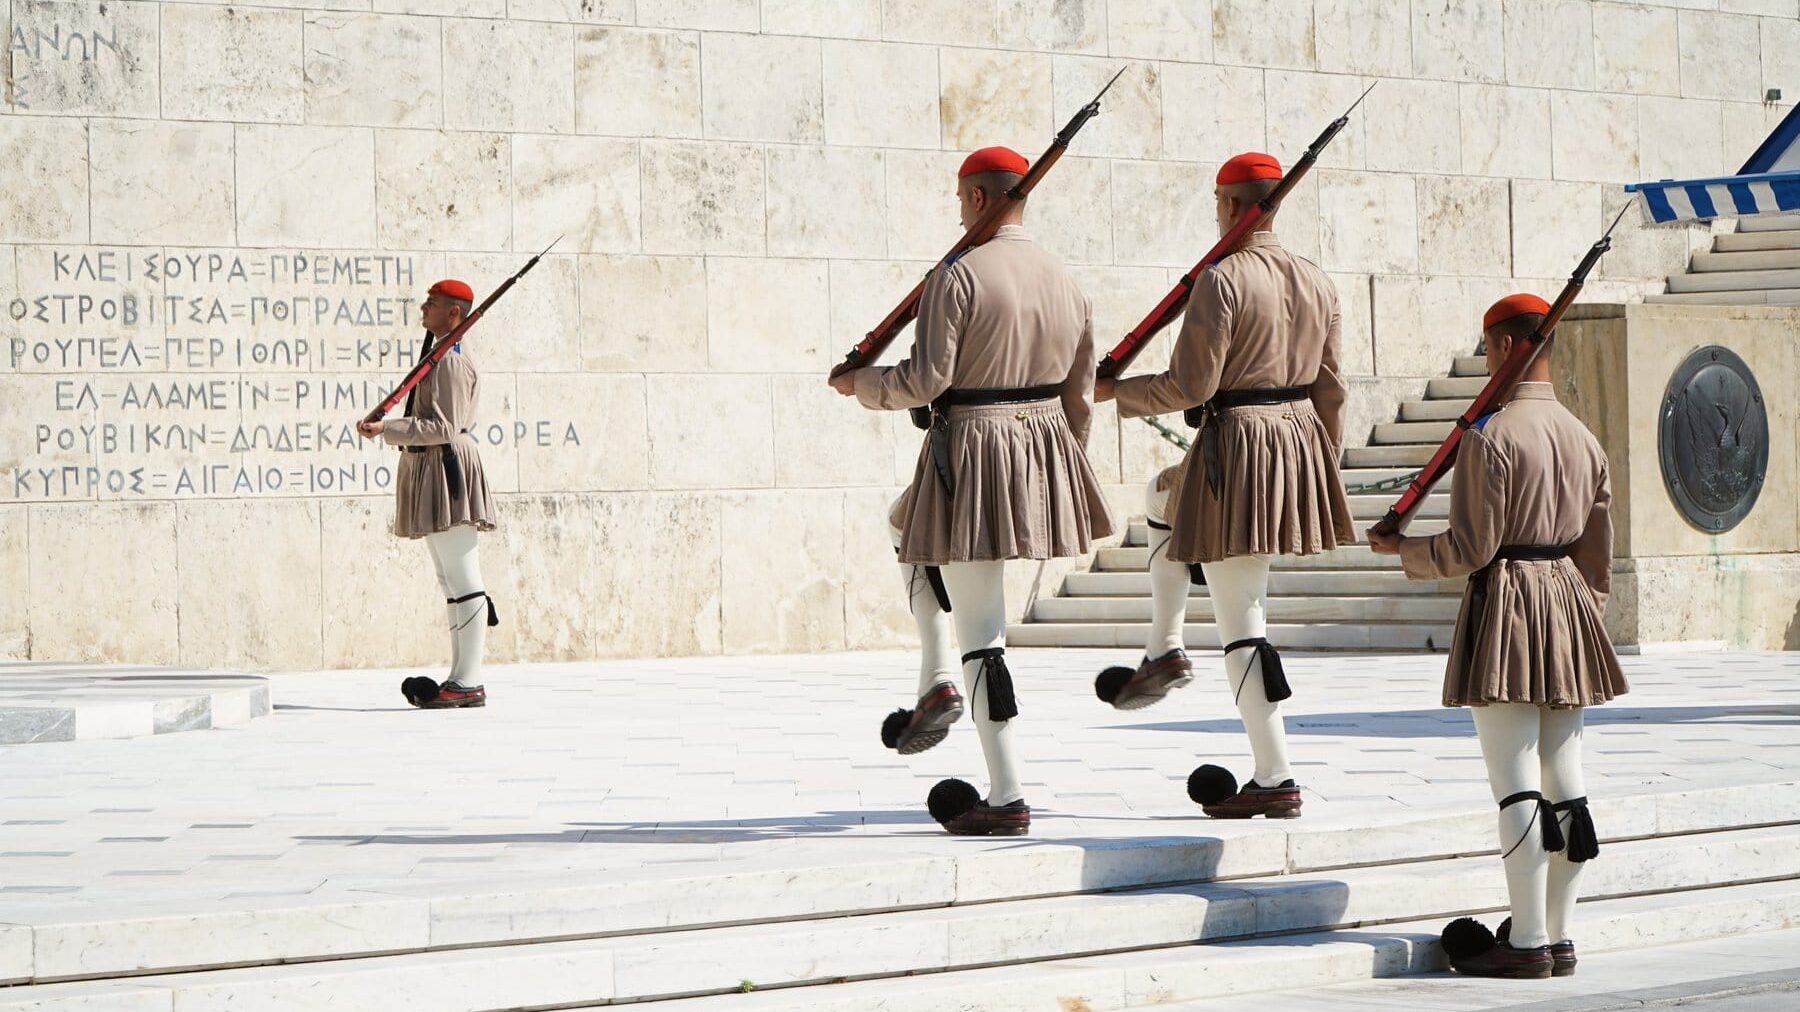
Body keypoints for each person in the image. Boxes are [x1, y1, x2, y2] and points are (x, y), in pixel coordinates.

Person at [830, 146, 1114, 836]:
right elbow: (1080, 394)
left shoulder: (956, 275)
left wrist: (860, 385)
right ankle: (934, 680)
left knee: (982, 631)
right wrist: (1059, 466)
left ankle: (1006, 791)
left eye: (961, 200)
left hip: (975, 448)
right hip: (1042, 444)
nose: (959, 212)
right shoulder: (1064, 278)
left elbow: (926, 381)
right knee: (906, 528)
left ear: (980, 199)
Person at [1368, 293, 1628, 979]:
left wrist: (1402, 550)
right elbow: (1596, 555)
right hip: (1567, 601)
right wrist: (1577, 612)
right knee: (1567, 783)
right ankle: (1559, 934)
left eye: (1487, 349)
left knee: (1515, 784)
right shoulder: (1584, 436)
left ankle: (1527, 942)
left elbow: (1473, 547)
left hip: (1510, 601)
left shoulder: (1491, 434)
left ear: (1505, 348)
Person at [1095, 152, 1354, 819]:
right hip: (1296, 439)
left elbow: (1191, 386)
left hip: (1239, 443)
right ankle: (1165, 645)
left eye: (1218, 201)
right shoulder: (1318, 280)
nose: (1216, 212)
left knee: (1243, 617)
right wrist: (1323, 460)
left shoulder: (1222, 279)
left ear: (1234, 207)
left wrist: (1114, 392)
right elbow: (1332, 389)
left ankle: (1275, 775)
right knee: (1162, 498)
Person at [357, 279, 499, 710]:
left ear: (454, 313)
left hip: (448, 469)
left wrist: (389, 429)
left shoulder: (452, 362)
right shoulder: (439, 354)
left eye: (432, 303)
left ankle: (469, 680)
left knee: (463, 577)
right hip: (432, 468)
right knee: (449, 581)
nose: (423, 307)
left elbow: (444, 427)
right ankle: (458, 678)